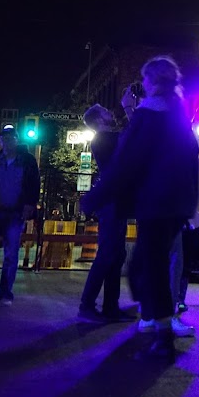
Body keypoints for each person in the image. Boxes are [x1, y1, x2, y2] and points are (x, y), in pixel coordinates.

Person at [81, 56, 199, 359]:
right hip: (176, 204)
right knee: (152, 265)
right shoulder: (179, 114)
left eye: (145, 78)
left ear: (152, 81)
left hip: (154, 202)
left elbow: (126, 162)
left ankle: (161, 332)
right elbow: (192, 156)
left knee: (144, 268)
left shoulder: (147, 115)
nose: (143, 84)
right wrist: (189, 203)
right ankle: (161, 329)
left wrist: (95, 197)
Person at [77, 104, 135, 323]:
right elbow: (130, 139)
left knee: (116, 255)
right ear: (99, 120)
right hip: (111, 203)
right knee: (107, 255)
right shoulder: (104, 139)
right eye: (105, 112)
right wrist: (130, 109)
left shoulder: (106, 139)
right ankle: (87, 306)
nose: (110, 113)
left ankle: (110, 307)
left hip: (115, 202)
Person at [0, 125, 40, 307]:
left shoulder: (27, 161)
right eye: (4, 139)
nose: (7, 142)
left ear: (17, 140)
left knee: (11, 255)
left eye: (11, 138)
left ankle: (4, 293)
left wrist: (29, 205)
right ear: (1, 141)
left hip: (14, 212)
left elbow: (34, 184)